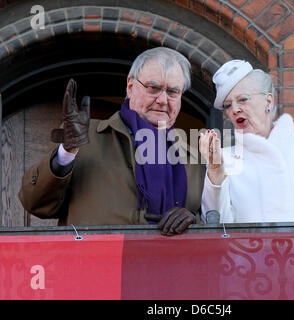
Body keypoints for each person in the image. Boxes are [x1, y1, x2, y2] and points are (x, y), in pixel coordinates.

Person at [18, 47, 205, 236]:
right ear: (131, 88)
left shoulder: (193, 160)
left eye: (173, 92)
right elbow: (34, 203)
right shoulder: (86, 138)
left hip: (168, 264)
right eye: (153, 88)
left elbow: (212, 231)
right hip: (93, 263)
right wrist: (67, 153)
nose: (163, 100)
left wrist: (193, 221)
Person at [200, 59, 294, 223]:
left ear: (269, 102)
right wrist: (215, 173)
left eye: (243, 99)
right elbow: (216, 227)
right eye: (228, 105)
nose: (235, 109)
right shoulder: (224, 159)